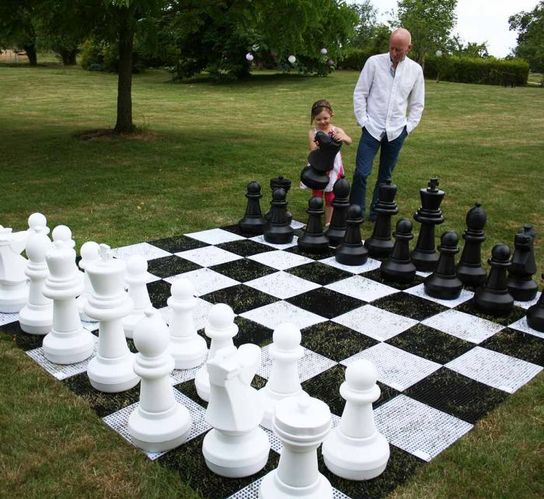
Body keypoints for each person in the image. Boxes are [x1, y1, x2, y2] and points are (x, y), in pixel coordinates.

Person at [351, 27, 425, 222]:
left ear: (409, 48)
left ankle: (376, 215)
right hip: (372, 128)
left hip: (396, 130)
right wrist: (363, 122)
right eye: (391, 48)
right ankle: (355, 212)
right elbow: (360, 93)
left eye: (399, 50)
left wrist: (407, 128)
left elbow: (417, 104)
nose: (394, 53)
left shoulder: (415, 70)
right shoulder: (374, 63)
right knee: (361, 172)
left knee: (385, 177)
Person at [307, 99, 352, 225]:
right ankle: (314, 218)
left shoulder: (337, 130)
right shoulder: (313, 132)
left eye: (325, 118)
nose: (322, 122)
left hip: (333, 167)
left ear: (331, 114)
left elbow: (349, 141)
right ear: (314, 119)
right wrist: (320, 143)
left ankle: (328, 222)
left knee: (331, 194)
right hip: (318, 166)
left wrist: (343, 137)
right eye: (318, 119)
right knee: (317, 194)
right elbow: (312, 149)